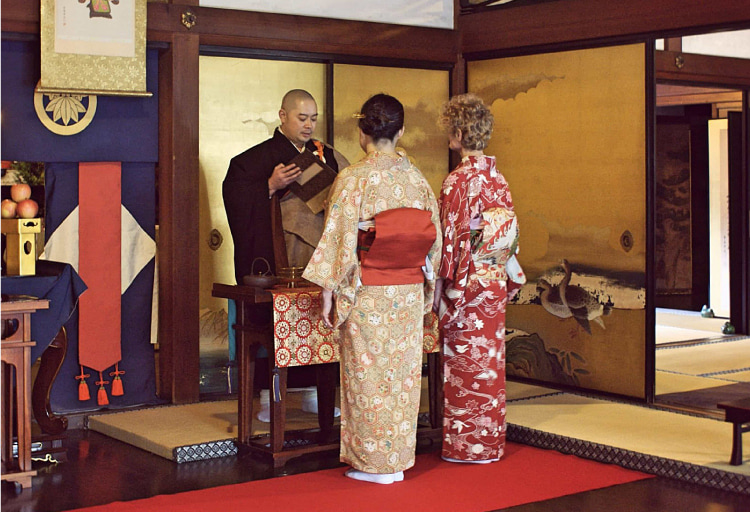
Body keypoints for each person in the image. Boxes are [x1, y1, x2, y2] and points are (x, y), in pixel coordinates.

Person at [303, 94, 441, 485]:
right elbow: (436, 241)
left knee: (367, 376)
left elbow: (339, 239)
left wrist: (330, 288)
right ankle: (396, 460)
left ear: (362, 132)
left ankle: (374, 465)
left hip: (370, 290)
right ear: (400, 132)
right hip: (408, 292)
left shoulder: (354, 178)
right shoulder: (416, 178)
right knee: (401, 379)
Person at [223, 89, 347, 421]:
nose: (308, 126)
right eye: (301, 118)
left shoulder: (326, 155)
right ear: (282, 116)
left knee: (317, 324)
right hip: (278, 260)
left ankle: (313, 393)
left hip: (314, 262)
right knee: (273, 326)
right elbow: (236, 199)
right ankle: (267, 395)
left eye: (313, 119)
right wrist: (269, 185)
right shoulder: (252, 160)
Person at [433, 93, 523, 464]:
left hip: (468, 285)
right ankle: (489, 444)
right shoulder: (497, 178)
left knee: (464, 365)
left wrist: (442, 286)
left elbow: (450, 241)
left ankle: (465, 447)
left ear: (457, 131)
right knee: (489, 364)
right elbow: (508, 237)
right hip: (493, 280)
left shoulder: (458, 181)